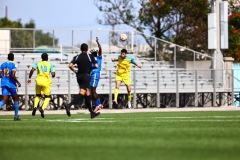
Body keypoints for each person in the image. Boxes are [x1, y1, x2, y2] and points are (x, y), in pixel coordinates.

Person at [64, 43, 100, 119]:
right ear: (87, 49)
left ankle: (92, 113)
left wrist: (75, 71)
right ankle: (69, 105)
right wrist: (91, 68)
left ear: (81, 49)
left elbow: (70, 65)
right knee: (82, 93)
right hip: (86, 76)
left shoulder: (77, 57)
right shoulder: (90, 56)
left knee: (88, 94)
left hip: (79, 76)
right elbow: (96, 66)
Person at [27, 53, 55, 118]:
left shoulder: (38, 63)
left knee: (37, 95)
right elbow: (53, 74)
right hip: (46, 81)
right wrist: (52, 74)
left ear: (41, 58)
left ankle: (35, 107)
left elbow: (32, 70)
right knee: (47, 97)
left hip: (38, 80)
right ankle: (42, 108)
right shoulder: (50, 64)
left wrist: (29, 78)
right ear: (47, 58)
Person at [0, 53, 21, 121]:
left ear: (7, 58)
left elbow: (0, 74)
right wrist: (18, 82)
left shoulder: (3, 64)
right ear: (13, 58)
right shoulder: (14, 65)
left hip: (4, 83)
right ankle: (16, 117)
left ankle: (16, 117)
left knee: (4, 100)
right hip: (11, 85)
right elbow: (12, 75)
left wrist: (4, 77)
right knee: (15, 99)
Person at [90, 37, 103, 112]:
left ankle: (99, 104)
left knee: (93, 90)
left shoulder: (99, 58)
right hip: (92, 75)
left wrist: (97, 42)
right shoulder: (91, 61)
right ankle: (97, 104)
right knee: (92, 91)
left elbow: (100, 49)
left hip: (95, 75)